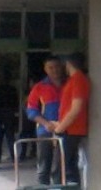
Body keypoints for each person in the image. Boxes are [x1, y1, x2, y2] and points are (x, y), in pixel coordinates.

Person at [53, 52, 91, 186]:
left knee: (62, 168)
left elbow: (76, 108)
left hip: (71, 130)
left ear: (68, 64)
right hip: (69, 128)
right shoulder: (75, 80)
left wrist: (60, 128)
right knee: (68, 167)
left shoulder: (78, 80)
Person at [26, 55, 64, 186]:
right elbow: (31, 110)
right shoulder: (39, 87)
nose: (55, 70)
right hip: (44, 131)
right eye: (51, 67)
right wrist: (46, 123)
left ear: (62, 67)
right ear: (45, 69)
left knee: (60, 167)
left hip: (65, 129)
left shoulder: (69, 84)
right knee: (43, 166)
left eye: (57, 67)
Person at [0, 72, 19, 164]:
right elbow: (16, 102)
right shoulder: (12, 89)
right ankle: (13, 157)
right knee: (10, 136)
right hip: (9, 113)